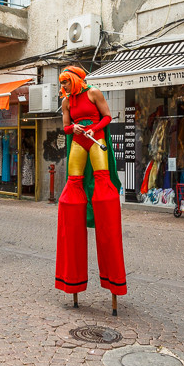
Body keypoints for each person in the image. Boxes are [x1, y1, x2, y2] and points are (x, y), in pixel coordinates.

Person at [54, 65, 126, 313]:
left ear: (74, 79)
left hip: (96, 140)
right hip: (79, 141)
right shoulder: (67, 102)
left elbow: (107, 117)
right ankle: (71, 281)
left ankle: (113, 282)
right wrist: (72, 129)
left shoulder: (94, 92)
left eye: (65, 82)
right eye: (61, 84)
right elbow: (65, 126)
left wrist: (93, 129)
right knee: (72, 189)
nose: (62, 87)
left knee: (104, 186)